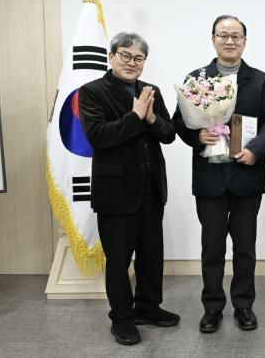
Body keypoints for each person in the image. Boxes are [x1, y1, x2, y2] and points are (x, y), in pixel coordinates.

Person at [173, 15, 265, 334]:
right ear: (213, 40)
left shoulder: (259, 80)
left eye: (236, 35)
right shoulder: (196, 78)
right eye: (224, 35)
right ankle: (212, 307)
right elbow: (179, 121)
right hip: (210, 179)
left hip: (247, 174)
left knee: (245, 247)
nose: (230, 41)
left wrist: (256, 150)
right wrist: (198, 136)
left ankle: (244, 305)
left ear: (244, 41)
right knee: (212, 247)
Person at [78, 32, 179, 346]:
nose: (132, 62)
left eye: (138, 58)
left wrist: (150, 119)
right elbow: (99, 136)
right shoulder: (92, 92)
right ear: (111, 56)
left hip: (151, 189)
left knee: (151, 255)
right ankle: (122, 318)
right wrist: (135, 117)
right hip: (115, 192)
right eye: (125, 55)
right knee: (119, 261)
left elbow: (169, 133)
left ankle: (148, 307)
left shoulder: (151, 91)